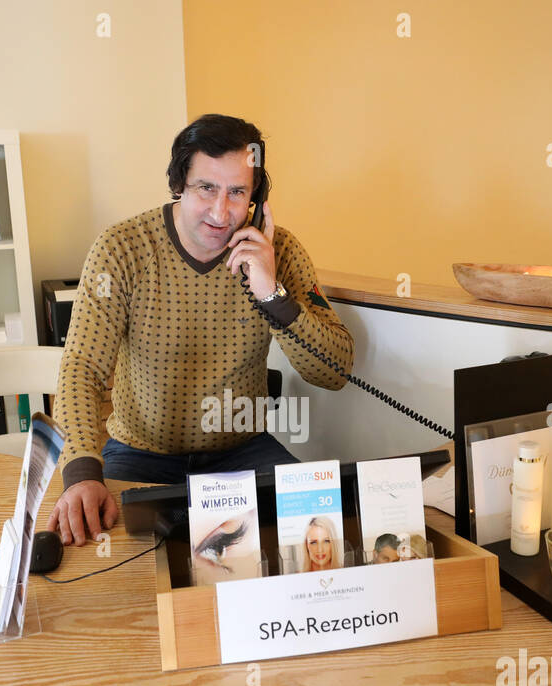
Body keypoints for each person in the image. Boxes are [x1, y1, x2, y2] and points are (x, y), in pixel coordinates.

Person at [48, 114, 355, 545]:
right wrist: (81, 470)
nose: (221, 211)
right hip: (139, 452)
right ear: (179, 184)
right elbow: (82, 367)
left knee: (320, 530)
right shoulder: (121, 248)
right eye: (206, 188)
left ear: (257, 196)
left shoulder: (277, 250)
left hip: (243, 452)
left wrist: (273, 294)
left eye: (237, 192)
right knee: (105, 547)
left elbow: (336, 371)